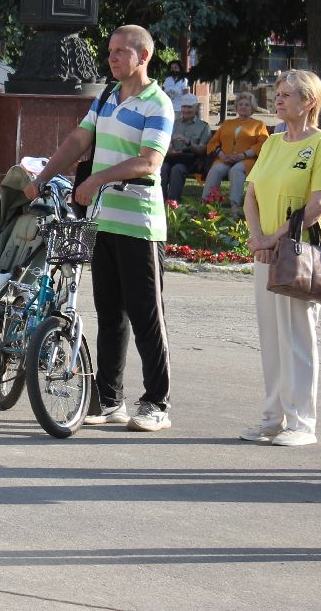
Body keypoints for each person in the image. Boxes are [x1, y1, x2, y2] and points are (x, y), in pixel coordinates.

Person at [23, 25, 175, 432]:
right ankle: (108, 400)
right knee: (110, 313)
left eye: (121, 51)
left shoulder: (157, 103)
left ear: (143, 56)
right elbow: (77, 141)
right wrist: (43, 175)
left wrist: (96, 180)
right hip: (102, 221)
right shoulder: (108, 96)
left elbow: (149, 162)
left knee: (146, 316)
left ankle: (157, 403)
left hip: (140, 224)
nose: (112, 57)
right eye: (110, 51)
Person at [239, 71, 321, 447]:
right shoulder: (273, 142)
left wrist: (273, 237)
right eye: (277, 95)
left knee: (298, 335)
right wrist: (257, 239)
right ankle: (272, 417)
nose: (278, 101)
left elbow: (318, 204)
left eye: (286, 95)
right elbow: (252, 195)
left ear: (309, 101)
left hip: (299, 253)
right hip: (266, 252)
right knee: (271, 336)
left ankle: (302, 423)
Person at [202, 92, 269, 208]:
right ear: (237, 107)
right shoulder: (227, 123)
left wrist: (243, 155)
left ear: (252, 108)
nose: (243, 107)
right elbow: (213, 142)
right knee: (216, 169)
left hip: (247, 160)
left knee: (236, 170)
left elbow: (263, 144)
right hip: (225, 158)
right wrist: (221, 154)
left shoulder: (259, 125)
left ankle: (235, 207)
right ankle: (206, 204)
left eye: (247, 105)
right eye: (241, 104)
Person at [161, 93, 211, 201]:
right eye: (184, 106)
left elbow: (202, 151)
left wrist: (188, 142)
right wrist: (170, 149)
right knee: (163, 168)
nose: (186, 110)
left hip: (191, 159)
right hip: (171, 157)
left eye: (190, 107)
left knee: (177, 169)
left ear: (196, 107)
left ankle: (172, 203)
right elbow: (165, 142)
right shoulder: (174, 123)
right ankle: (160, 201)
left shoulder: (204, 126)